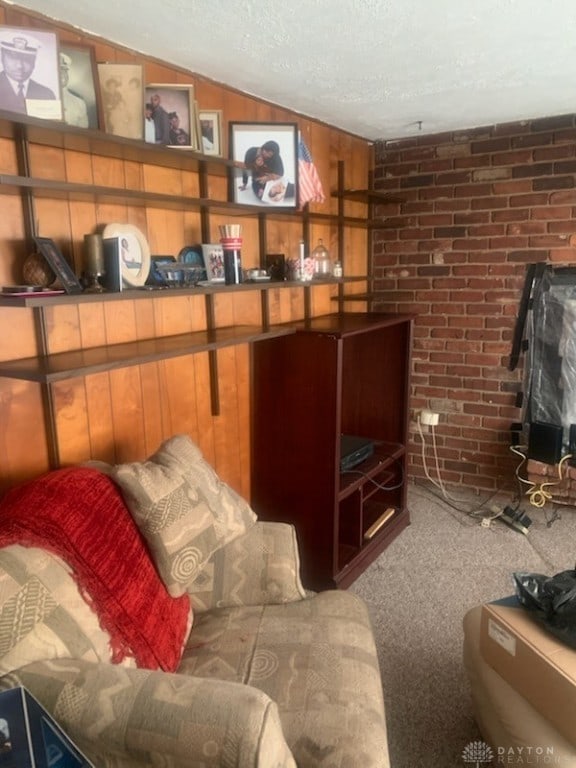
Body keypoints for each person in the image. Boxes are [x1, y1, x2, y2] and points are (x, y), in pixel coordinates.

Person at [0, 32, 56, 115]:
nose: (20, 66)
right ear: (2, 58)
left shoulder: (46, 94)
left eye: (26, 59)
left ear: (34, 61)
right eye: (13, 57)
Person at [59, 52, 89, 128]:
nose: (62, 75)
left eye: (64, 71)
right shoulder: (41, 95)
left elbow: (84, 131)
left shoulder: (79, 101)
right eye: (59, 71)